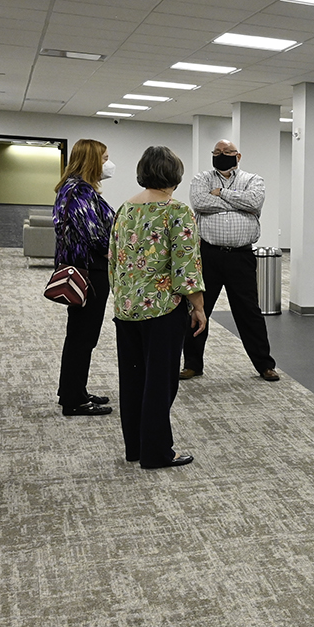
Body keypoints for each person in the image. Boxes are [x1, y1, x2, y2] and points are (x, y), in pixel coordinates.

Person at [110, 146, 207, 469]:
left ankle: (135, 447)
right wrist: (198, 306)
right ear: (175, 176)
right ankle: (158, 452)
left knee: (133, 379)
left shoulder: (125, 208)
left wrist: (122, 294)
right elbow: (186, 266)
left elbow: (114, 259)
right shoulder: (176, 211)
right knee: (160, 382)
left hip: (126, 307)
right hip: (162, 308)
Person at [180, 139, 278, 383]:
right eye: (217, 152)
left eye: (227, 152)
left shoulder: (253, 179)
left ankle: (264, 364)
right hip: (208, 255)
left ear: (238, 156)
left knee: (249, 312)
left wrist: (222, 193)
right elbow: (199, 202)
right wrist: (239, 204)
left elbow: (254, 202)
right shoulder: (201, 179)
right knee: (197, 309)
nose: (221, 155)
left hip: (241, 256)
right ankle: (192, 364)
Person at [53, 139, 116, 417]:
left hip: (86, 269)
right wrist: (118, 252)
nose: (108, 164)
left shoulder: (77, 188)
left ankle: (72, 389)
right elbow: (96, 236)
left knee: (80, 335)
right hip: (90, 271)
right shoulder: (79, 190)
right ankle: (73, 400)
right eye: (104, 158)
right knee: (82, 336)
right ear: (91, 160)